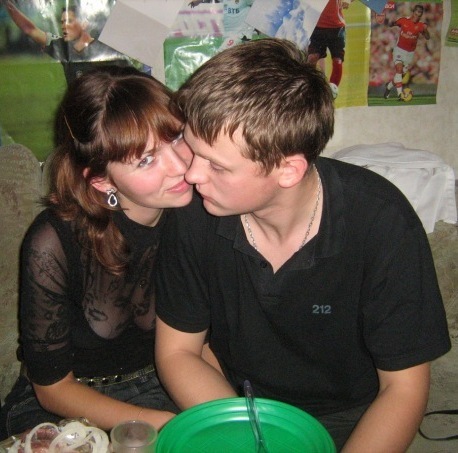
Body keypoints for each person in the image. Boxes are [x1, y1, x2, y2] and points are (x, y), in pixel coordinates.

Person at [154, 38, 451, 452]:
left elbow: (403, 389)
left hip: (352, 418)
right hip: (236, 404)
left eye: (216, 165)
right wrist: (252, 439)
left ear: (288, 170)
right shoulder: (194, 212)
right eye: (192, 149)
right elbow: (178, 352)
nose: (191, 175)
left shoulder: (383, 222)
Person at [0, 65, 195, 440]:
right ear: (102, 181)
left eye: (176, 138)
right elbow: (52, 388)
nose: (180, 166)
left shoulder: (200, 212)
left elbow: (204, 344)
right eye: (146, 159)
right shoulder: (54, 241)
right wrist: (162, 425)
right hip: (72, 403)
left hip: (168, 385)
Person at [1, 0, 132, 84]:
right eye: (62, 22)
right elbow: (30, 29)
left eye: (69, 21)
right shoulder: (62, 47)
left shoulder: (106, 50)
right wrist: (8, 5)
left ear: (84, 23)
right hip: (77, 111)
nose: (64, 26)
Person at [306, 0, 354, 99]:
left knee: (337, 60)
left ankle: (332, 92)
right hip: (317, 26)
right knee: (312, 58)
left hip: (337, 27)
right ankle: (310, 89)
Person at [383, 4, 430, 100]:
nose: (418, 14)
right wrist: (389, 21)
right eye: (417, 11)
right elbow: (392, 24)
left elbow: (427, 37)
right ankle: (400, 94)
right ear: (413, 12)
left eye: (420, 12)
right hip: (399, 50)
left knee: (400, 74)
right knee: (399, 69)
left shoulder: (421, 26)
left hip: (410, 54)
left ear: (421, 14)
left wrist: (426, 30)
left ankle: (388, 87)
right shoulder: (403, 20)